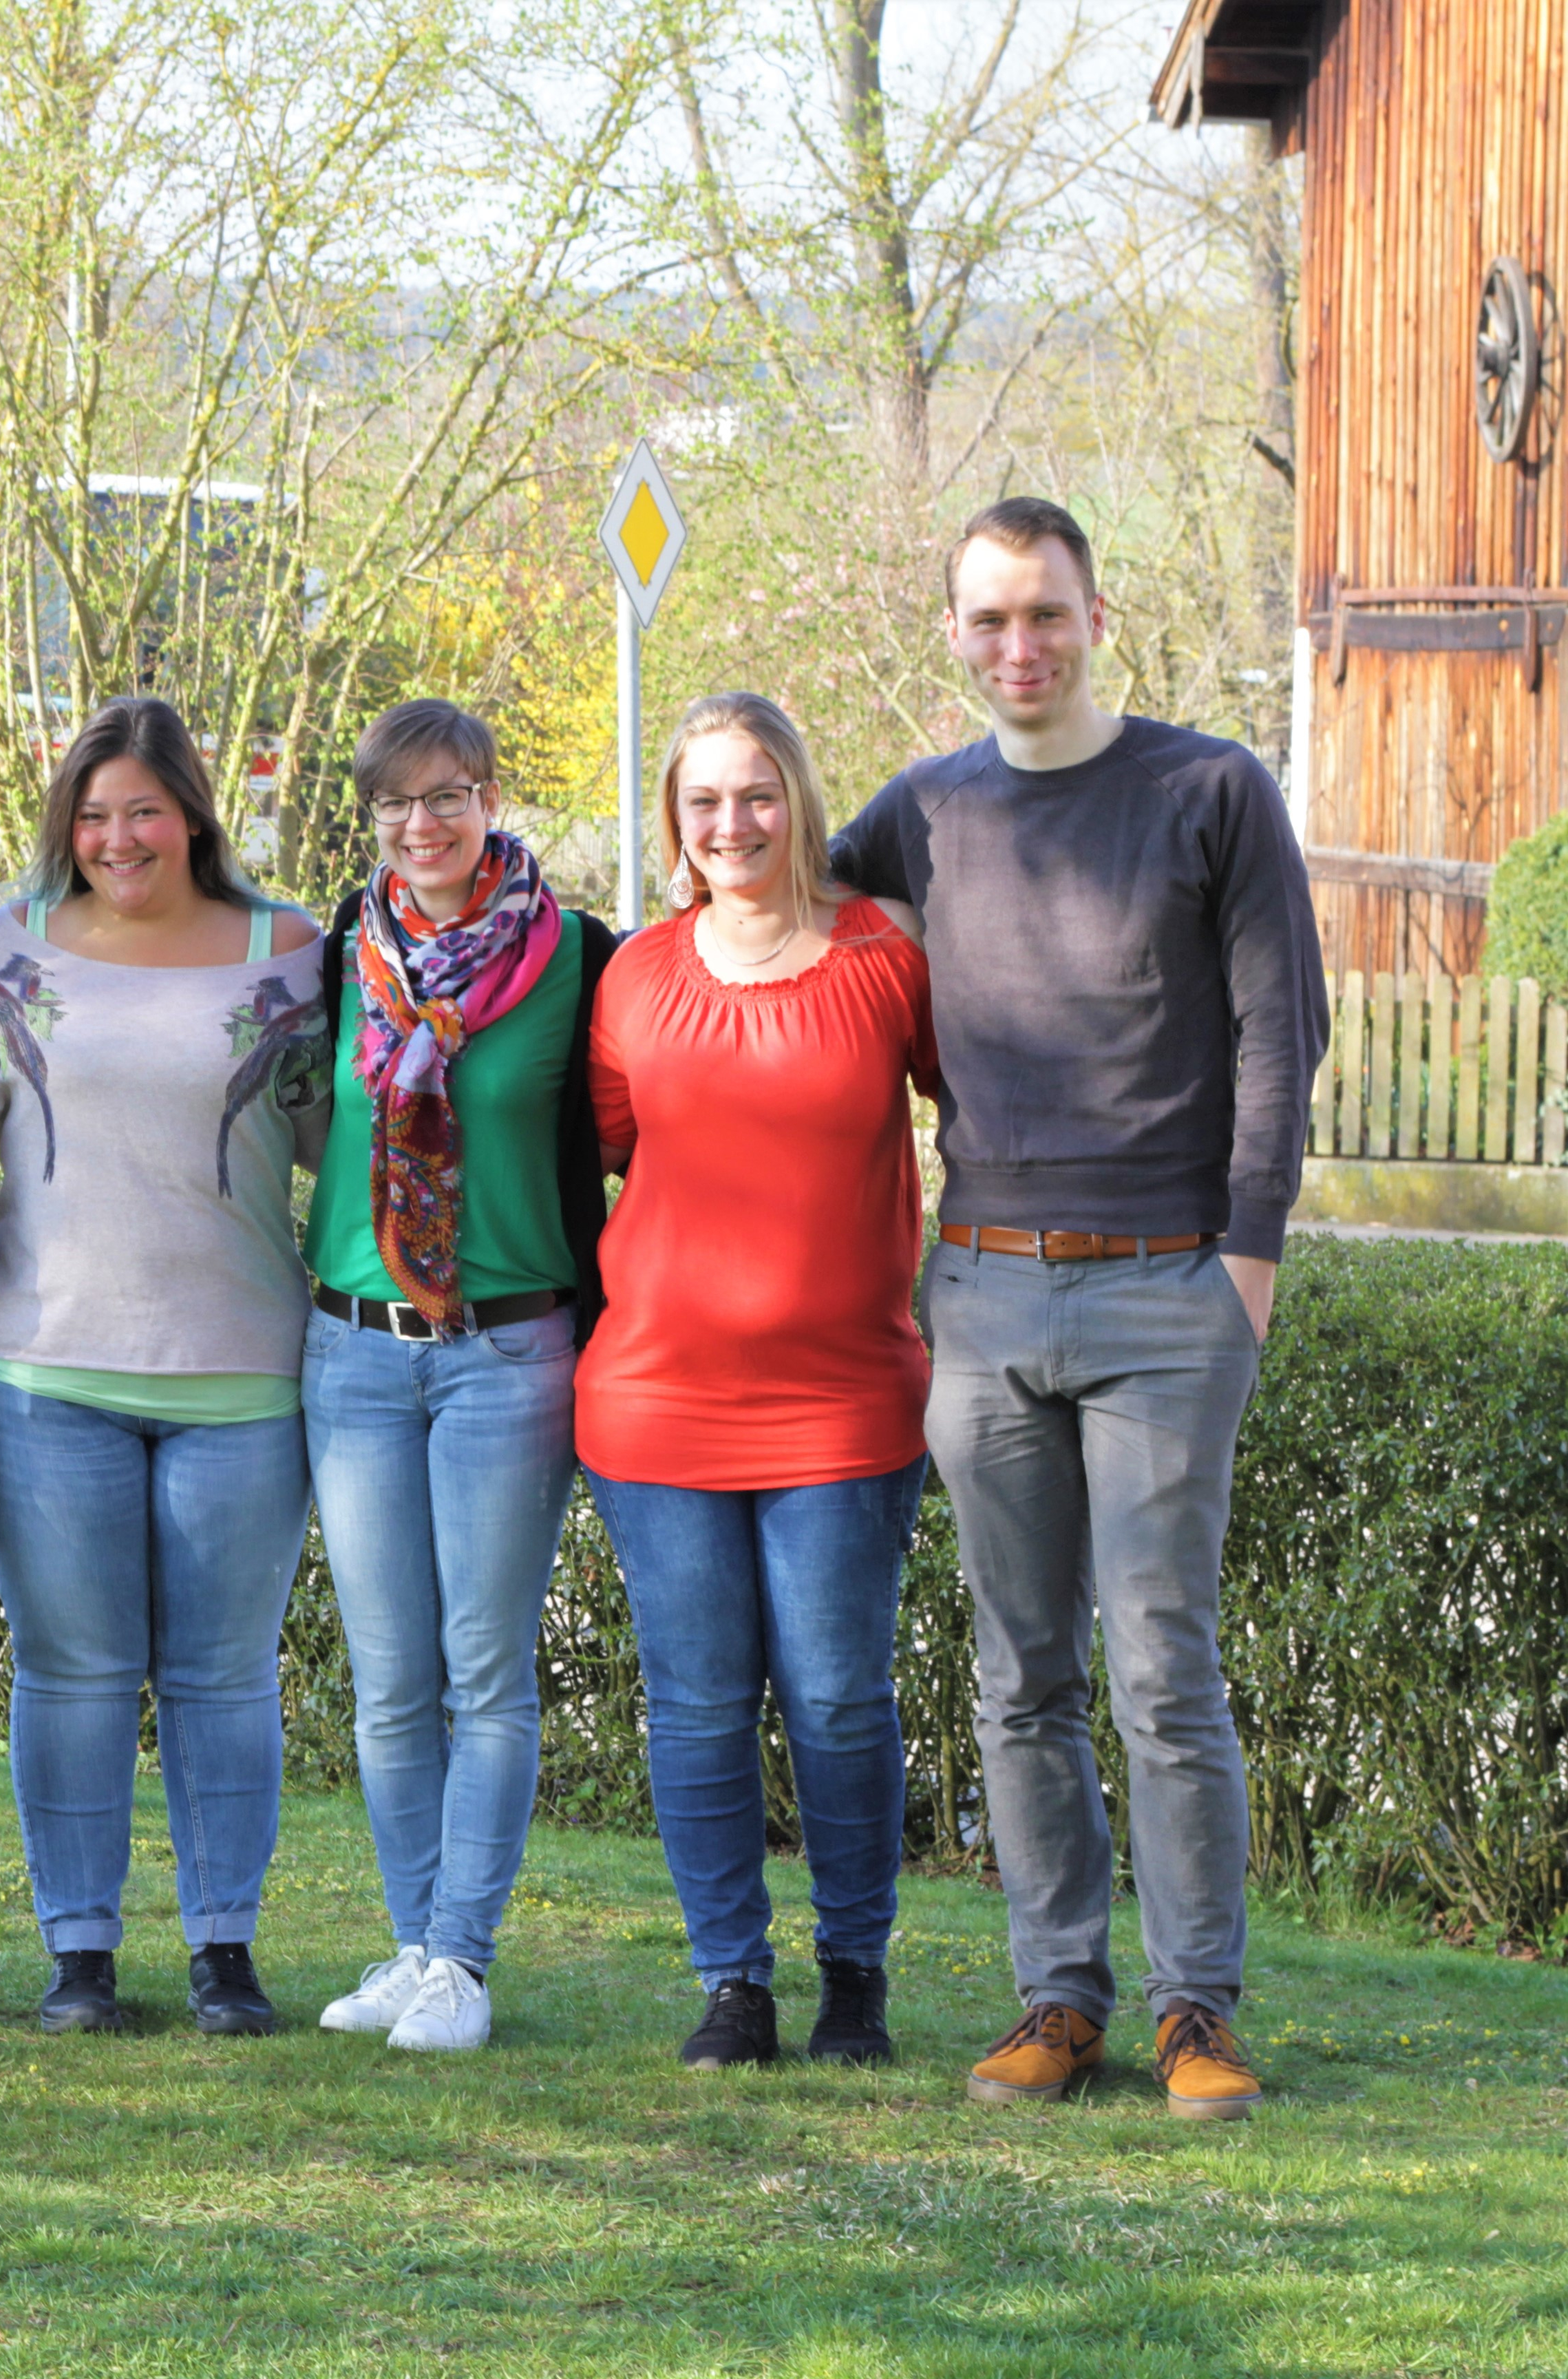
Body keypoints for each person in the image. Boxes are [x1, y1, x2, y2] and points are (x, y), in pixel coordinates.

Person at [833, 496, 1326, 2122]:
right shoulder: (926, 812)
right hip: (980, 1299)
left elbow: (1279, 1034)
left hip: (1170, 1293)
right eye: (987, 622)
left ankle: (1200, 2011)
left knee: (1162, 1672)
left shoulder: (1209, 791)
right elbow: (781, 924)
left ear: (1097, 615)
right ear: (956, 637)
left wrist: (1245, 1263)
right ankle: (1060, 2001)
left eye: (1043, 614)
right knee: (1018, 1675)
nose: (1018, 647)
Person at [0, 696, 325, 2039]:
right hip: (47, 1369)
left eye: (144, 811)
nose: (118, 837)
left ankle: (225, 1952)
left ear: (193, 815)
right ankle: (81, 1957)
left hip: (242, 1371)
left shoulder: (290, 952)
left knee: (226, 1674)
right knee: (75, 1670)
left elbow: (334, 1151)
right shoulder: (14, 948)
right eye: (93, 814)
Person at [579, 692, 935, 2071]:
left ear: (799, 797)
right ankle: (733, 1981)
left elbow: (992, 1105)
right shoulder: (636, 976)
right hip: (657, 1403)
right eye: (704, 800)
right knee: (700, 1701)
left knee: (842, 1695)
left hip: (846, 1402)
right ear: (675, 820)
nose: (732, 823)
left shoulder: (884, 958)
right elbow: (611, 1149)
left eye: (758, 794)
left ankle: (856, 1976)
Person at [301, 699, 615, 2056]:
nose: (421, 827)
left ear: (493, 798)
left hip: (508, 1353)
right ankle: (414, 1942)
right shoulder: (339, 958)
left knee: (486, 1672)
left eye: (448, 798)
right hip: (354, 1354)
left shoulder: (577, 958)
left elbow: (635, 1143)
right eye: (394, 806)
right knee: (387, 1678)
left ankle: (463, 1963)